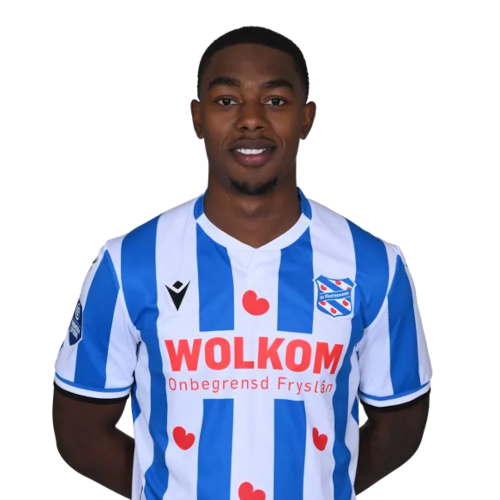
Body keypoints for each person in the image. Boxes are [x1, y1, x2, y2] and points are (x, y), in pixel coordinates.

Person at [52, 25, 433, 500]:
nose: (251, 120)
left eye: (275, 100)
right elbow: (80, 432)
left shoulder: (375, 265)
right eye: (227, 100)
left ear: (307, 118)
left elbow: (400, 424)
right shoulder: (126, 263)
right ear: (197, 117)